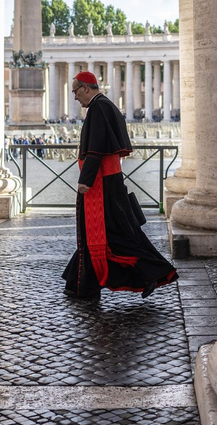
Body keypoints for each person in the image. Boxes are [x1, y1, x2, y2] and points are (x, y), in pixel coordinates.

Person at [62, 71, 178, 299]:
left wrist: (85, 180)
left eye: (75, 91)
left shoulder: (98, 108)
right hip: (109, 179)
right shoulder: (107, 106)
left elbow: (95, 148)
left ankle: (151, 271)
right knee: (102, 233)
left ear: (86, 88)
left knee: (112, 234)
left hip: (101, 182)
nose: (75, 97)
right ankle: (79, 284)